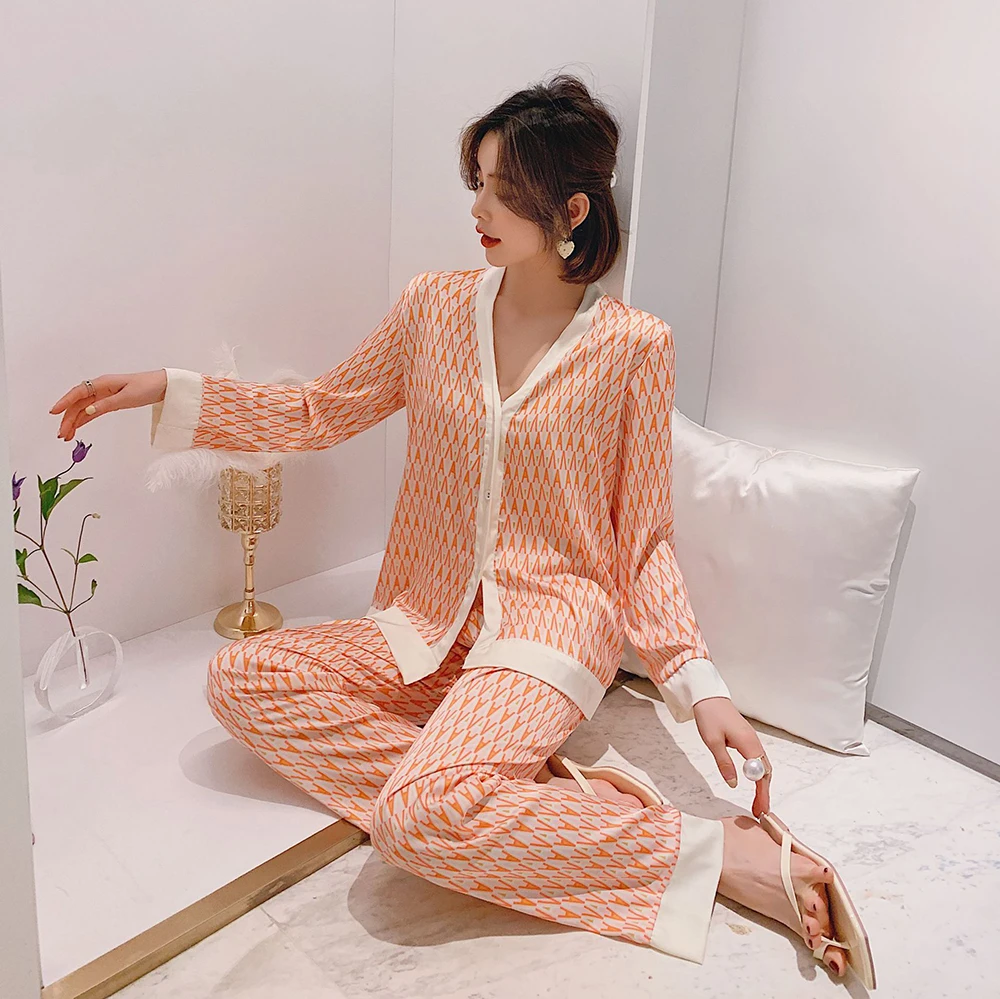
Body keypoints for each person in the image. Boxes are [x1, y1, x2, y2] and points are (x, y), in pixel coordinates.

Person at [49, 74, 853, 979]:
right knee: (242, 677)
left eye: (503, 189)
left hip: (549, 628)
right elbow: (320, 408)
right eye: (477, 182)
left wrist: (700, 688)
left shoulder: (634, 346)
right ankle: (528, 799)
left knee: (415, 820)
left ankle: (715, 855)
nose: (478, 207)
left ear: (571, 209)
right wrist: (171, 389)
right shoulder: (432, 306)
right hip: (426, 621)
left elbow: (643, 538)